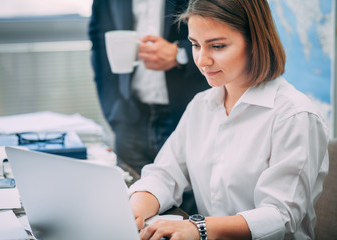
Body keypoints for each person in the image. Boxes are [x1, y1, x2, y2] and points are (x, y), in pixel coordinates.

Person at [128, 0, 330, 239]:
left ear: (255, 42)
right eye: (195, 45)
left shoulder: (294, 116)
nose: (202, 60)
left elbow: (280, 214)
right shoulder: (201, 106)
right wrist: (133, 212)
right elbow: (165, 174)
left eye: (218, 46)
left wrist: (199, 229)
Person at [88, 0, 210, 174]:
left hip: (189, 117)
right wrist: (113, 110)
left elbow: (228, 32)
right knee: (131, 196)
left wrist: (180, 53)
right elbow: (99, 42)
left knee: (189, 197)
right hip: (129, 117)